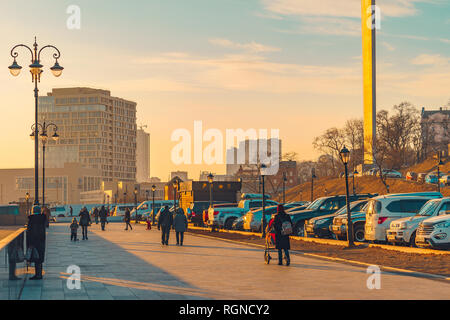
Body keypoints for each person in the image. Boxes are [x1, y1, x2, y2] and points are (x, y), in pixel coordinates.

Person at [27, 205, 47, 280]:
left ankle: (38, 275)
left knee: (36, 258)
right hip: (41, 241)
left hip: (34, 241)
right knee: (39, 258)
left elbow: (31, 232)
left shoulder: (32, 219)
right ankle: (39, 274)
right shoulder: (42, 219)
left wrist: (30, 243)